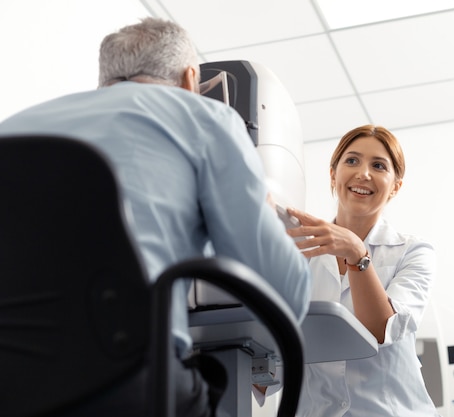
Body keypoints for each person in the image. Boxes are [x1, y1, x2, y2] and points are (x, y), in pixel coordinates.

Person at [0, 17, 311, 417]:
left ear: (104, 79)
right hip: (125, 382)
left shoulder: (12, 131)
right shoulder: (205, 118)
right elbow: (286, 295)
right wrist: (263, 207)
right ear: (190, 79)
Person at [286, 125, 439, 416]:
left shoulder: (414, 252)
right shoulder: (298, 255)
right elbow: (275, 355)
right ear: (333, 174)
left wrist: (358, 254)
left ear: (395, 185)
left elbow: (380, 330)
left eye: (378, 165)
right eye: (352, 160)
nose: (363, 173)